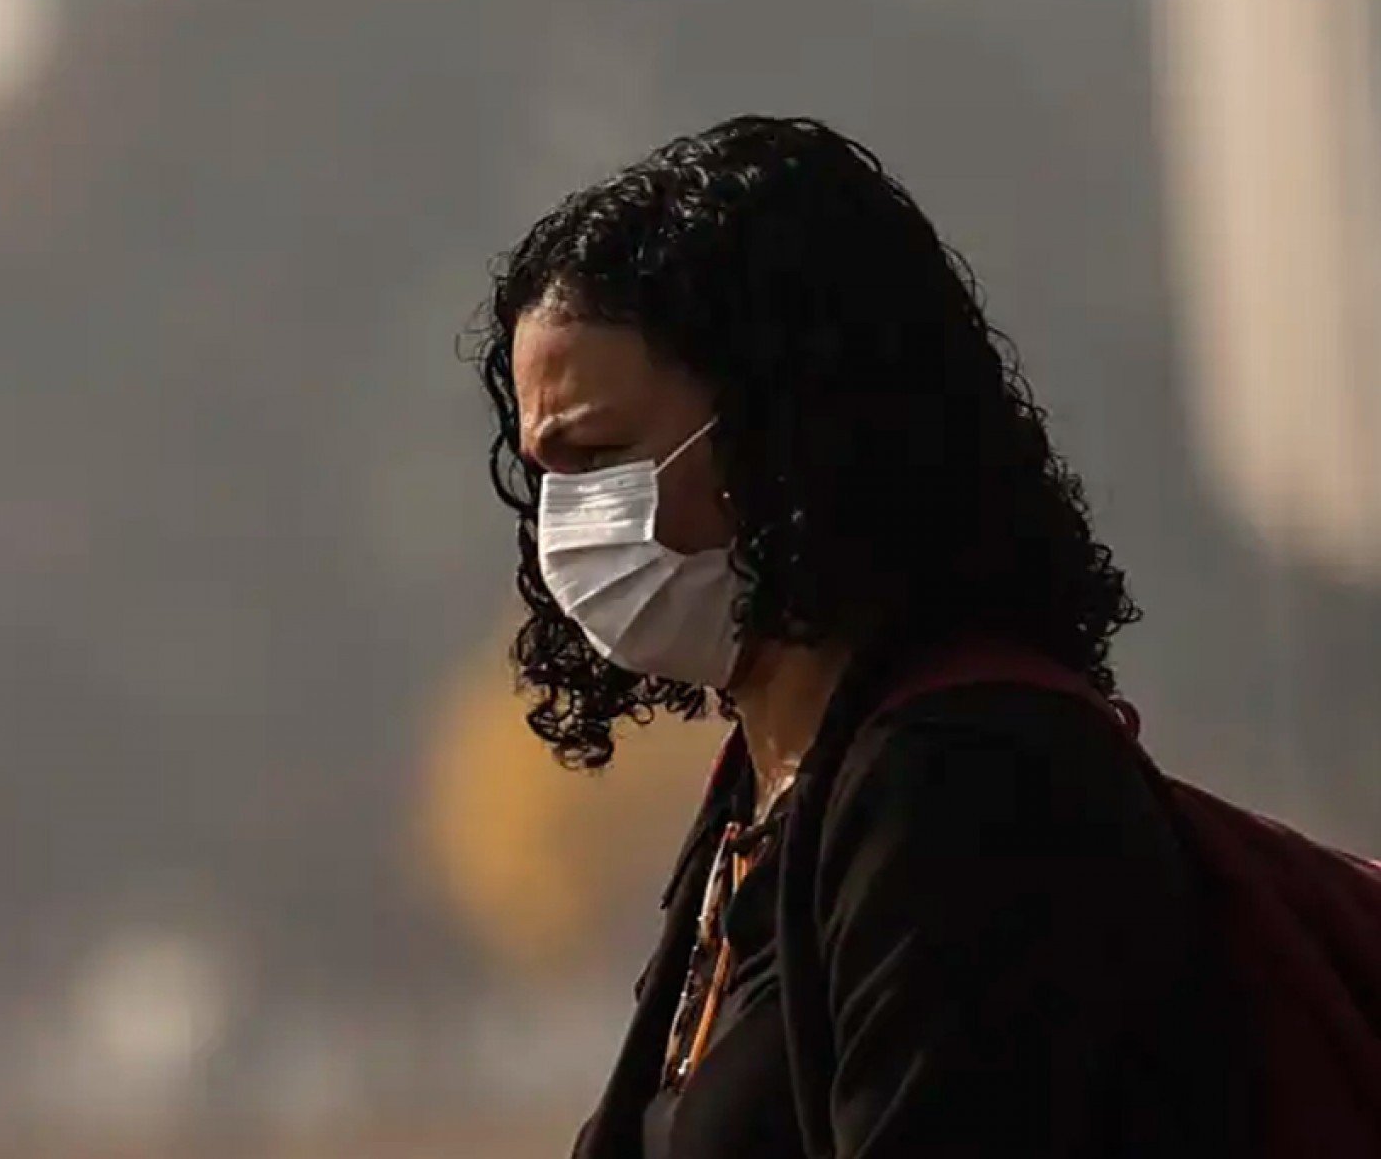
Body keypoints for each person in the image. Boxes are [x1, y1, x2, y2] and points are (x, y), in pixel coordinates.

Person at [473, 117, 1246, 1158]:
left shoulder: (971, 793)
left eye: (601, 455)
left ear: (790, 429)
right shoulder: (766, 800)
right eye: (546, 473)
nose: (569, 518)